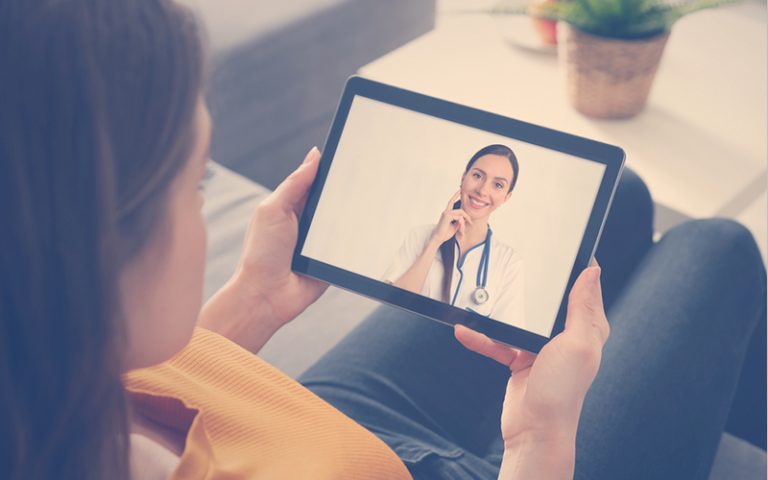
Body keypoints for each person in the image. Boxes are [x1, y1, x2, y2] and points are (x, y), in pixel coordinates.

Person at [1, 1, 764, 479]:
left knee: (618, 198)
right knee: (720, 251)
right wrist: (539, 437)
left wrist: (255, 303)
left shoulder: (47, 389)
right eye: (195, 183)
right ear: (87, 262)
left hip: (313, 423)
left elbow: (156, 396)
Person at [383, 145, 526, 328]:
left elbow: (505, 343)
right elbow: (387, 308)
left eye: (497, 185)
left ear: (506, 197)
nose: (482, 190)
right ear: (463, 178)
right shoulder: (420, 236)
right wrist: (435, 242)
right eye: (477, 176)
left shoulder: (509, 263)